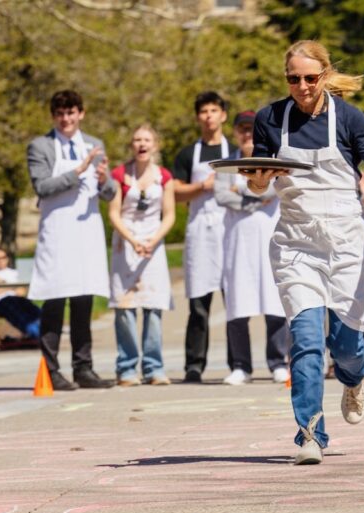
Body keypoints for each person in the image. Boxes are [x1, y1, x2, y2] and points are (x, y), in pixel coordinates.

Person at [243, 40, 364, 465]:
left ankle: (353, 379)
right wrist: (258, 181)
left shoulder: (350, 119)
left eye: (310, 78)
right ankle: (310, 434)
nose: (302, 86)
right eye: (293, 78)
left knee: (347, 347)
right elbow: (257, 180)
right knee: (305, 340)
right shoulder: (269, 119)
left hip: (348, 244)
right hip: (296, 243)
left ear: (325, 75)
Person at [27, 89, 116, 391]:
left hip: (86, 231)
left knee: (83, 301)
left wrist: (103, 179)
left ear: (81, 113)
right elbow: (42, 186)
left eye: (71, 112)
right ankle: (51, 369)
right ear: (54, 116)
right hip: (56, 232)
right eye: (60, 114)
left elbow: (110, 193)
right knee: (54, 302)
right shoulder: (40, 146)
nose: (66, 119)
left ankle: (83, 367)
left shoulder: (94, 144)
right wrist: (78, 171)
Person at [213, 111, 290, 386]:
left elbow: (273, 191)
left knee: (274, 302)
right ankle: (240, 365)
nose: (247, 134)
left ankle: (278, 362)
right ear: (236, 132)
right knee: (237, 304)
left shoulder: (271, 160)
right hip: (238, 242)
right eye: (243, 129)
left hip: (268, 238)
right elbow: (221, 195)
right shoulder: (228, 164)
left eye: (251, 129)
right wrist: (254, 196)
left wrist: (243, 191)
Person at [172, 91, 236, 383]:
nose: (209, 116)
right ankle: (194, 365)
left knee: (234, 300)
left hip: (229, 229)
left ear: (223, 115)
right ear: (198, 117)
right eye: (203, 111)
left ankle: (238, 363)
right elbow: (175, 192)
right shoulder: (188, 154)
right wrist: (202, 186)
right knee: (198, 304)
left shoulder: (234, 151)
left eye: (213, 110)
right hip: (199, 231)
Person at [107, 124, 175, 387]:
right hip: (126, 243)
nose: (142, 144)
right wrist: (132, 240)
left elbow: (168, 214)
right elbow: (114, 213)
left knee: (153, 305)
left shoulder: (164, 177)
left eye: (146, 140)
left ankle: (154, 367)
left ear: (154, 145)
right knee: (125, 307)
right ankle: (126, 367)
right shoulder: (119, 175)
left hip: (153, 243)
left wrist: (153, 241)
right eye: (137, 140)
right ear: (131, 145)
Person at [0, 246, 40, 340]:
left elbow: (22, 292)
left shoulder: (15, 272)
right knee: (20, 315)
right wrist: (14, 288)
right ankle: (35, 333)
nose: (1, 261)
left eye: (3, 257)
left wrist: (3, 283)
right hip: (2, 302)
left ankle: (42, 331)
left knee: (35, 310)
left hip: (18, 299)